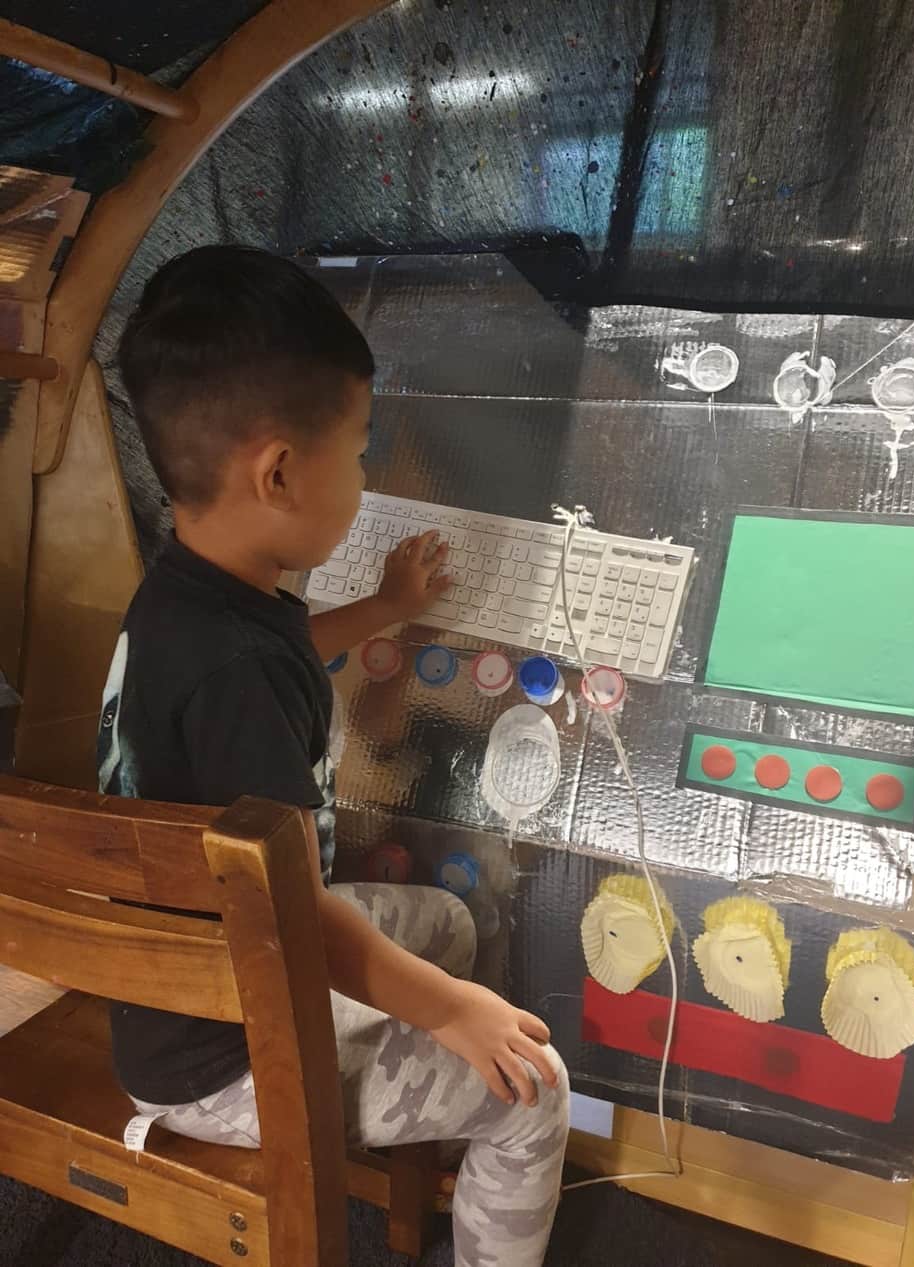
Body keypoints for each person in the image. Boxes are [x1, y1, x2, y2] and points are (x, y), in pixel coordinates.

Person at [98, 244, 569, 1267]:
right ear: (276, 470)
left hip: (215, 974)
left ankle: (450, 1138)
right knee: (538, 1091)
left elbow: (282, 655)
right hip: (222, 1053)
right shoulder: (230, 666)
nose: (365, 474)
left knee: (445, 919)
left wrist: (387, 610)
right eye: (358, 451)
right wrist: (456, 1013)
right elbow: (296, 921)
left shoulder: (194, 596)